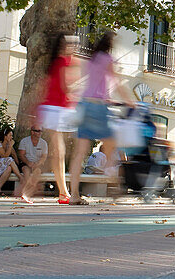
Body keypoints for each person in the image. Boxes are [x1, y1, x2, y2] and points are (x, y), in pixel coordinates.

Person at [68, 30, 135, 205]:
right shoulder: (108, 59)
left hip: (84, 105)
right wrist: (130, 102)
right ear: (110, 44)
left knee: (79, 154)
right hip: (98, 107)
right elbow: (118, 83)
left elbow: (91, 84)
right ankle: (113, 185)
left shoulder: (91, 60)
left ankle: (74, 195)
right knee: (113, 145)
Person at [33, 32, 78, 204]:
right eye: (72, 44)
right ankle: (62, 192)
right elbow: (64, 87)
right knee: (59, 153)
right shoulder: (62, 62)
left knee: (58, 153)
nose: (74, 47)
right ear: (64, 46)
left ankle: (61, 191)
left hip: (55, 109)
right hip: (57, 109)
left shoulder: (58, 61)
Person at [0, 127, 24, 196]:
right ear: (5, 136)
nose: (11, 137)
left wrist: (18, 165)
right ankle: (21, 178)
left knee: (9, 168)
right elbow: (4, 156)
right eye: (10, 135)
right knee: (9, 159)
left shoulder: (8, 144)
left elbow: (14, 154)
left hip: (0, 164)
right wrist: (10, 146)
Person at [17, 127, 48, 202]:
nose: (40, 133)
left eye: (41, 131)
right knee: (26, 171)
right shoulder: (24, 141)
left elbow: (44, 157)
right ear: (32, 132)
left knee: (37, 172)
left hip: (38, 164)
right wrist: (28, 163)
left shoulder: (44, 143)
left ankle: (27, 193)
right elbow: (21, 155)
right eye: (37, 131)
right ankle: (25, 193)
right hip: (26, 162)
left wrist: (37, 163)